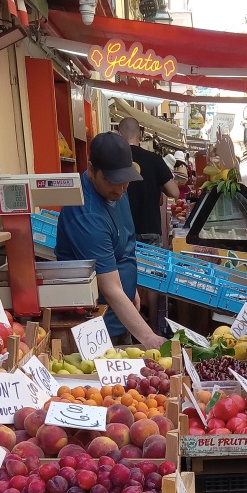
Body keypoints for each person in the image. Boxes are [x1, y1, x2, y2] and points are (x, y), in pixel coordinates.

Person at [54, 132, 163, 350]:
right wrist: (149, 337)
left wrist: (131, 289)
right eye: (113, 181)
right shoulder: (87, 214)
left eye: (125, 182)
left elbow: (124, 244)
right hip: (98, 330)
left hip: (122, 317)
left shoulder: (116, 192)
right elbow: (110, 289)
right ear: (92, 169)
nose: (120, 189)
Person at [117, 117, 179, 245]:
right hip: (150, 229)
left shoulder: (115, 159)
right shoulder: (154, 159)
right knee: (151, 265)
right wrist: (158, 185)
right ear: (141, 134)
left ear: (119, 134)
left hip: (121, 231)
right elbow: (175, 192)